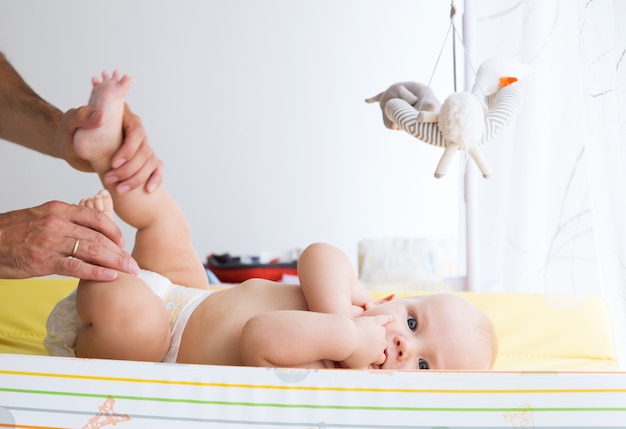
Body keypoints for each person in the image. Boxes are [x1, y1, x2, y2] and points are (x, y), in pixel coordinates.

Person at [45, 70, 497, 370]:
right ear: (395, 298)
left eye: (421, 366)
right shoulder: (356, 303)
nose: (403, 344)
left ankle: (96, 243)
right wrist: (343, 310)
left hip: (155, 349)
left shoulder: (335, 376)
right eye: (414, 323)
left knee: (137, 324)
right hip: (190, 293)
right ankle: (106, 149)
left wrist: (342, 338)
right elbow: (319, 255)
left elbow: (259, 336)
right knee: (166, 225)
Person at [0, 52, 163, 281]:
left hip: (193, 297)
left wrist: (58, 133)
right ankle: (106, 151)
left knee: (161, 222)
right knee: (160, 225)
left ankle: (105, 149)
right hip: (182, 308)